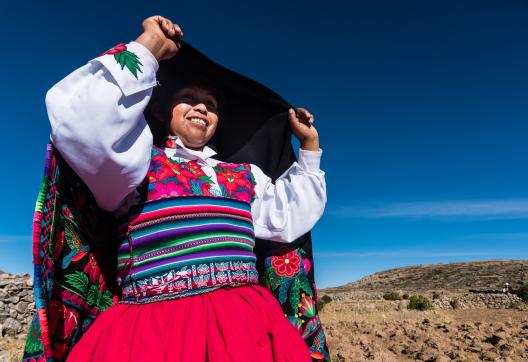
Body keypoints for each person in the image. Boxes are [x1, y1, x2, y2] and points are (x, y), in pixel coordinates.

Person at [25, 15, 328, 361]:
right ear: (166, 112)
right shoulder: (135, 164)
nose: (202, 106)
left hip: (248, 330)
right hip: (150, 335)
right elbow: (83, 127)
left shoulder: (245, 177)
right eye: (189, 98)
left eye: (211, 105)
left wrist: (309, 147)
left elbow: (288, 216)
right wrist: (149, 47)